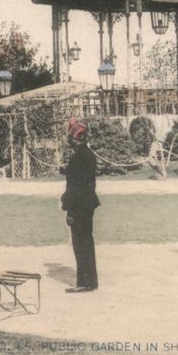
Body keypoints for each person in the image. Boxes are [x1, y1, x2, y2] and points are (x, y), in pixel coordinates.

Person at [60, 117, 100, 293]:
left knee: (80, 243)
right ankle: (90, 281)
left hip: (78, 206)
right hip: (88, 205)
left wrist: (68, 209)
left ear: (74, 139)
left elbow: (73, 188)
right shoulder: (90, 156)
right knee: (87, 242)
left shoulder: (77, 159)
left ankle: (84, 282)